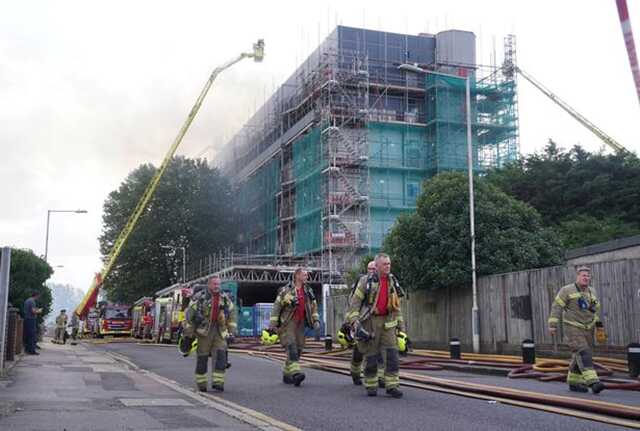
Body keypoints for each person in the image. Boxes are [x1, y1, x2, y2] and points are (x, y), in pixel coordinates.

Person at [346, 253, 405, 398]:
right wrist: (354, 322)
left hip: (388, 322)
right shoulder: (365, 282)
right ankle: (371, 384)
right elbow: (355, 304)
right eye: (385, 264)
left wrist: (401, 327)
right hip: (370, 322)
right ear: (377, 266)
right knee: (371, 356)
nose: (388, 266)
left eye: (389, 264)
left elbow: (396, 306)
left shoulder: (392, 281)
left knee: (392, 355)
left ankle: (392, 385)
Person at [548, 266, 605, 394]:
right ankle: (593, 382)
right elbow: (557, 306)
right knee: (583, 352)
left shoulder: (592, 291)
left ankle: (574, 383)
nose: (586, 278)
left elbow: (594, 310)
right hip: (572, 327)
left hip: (588, 328)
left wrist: (599, 326)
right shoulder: (567, 290)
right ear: (577, 276)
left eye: (588, 276)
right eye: (583, 275)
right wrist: (552, 324)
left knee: (578, 355)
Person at [183, 276, 237, 392]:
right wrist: (189, 334)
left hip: (220, 330)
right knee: (202, 358)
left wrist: (232, 332)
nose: (217, 286)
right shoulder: (199, 298)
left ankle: (218, 382)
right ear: (209, 285)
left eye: (218, 284)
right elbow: (189, 317)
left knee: (221, 356)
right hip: (203, 332)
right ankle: (201, 383)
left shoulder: (225, 298)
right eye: (214, 284)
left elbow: (232, 314)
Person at [269, 268, 320, 386]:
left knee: (299, 348)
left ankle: (287, 375)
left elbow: (313, 307)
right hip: (288, 323)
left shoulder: (308, 291)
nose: (307, 277)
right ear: (297, 276)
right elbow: (276, 307)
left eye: (307, 275)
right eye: (304, 275)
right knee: (291, 346)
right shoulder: (286, 290)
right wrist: (272, 325)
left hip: (301, 323)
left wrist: (316, 320)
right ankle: (296, 374)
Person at [343, 261, 385, 388]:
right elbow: (353, 303)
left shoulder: (383, 282)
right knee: (359, 351)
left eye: (374, 268)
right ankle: (355, 372)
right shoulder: (362, 282)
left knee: (379, 350)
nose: (372, 270)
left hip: (378, 321)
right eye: (369, 268)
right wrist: (350, 321)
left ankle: (381, 377)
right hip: (362, 320)